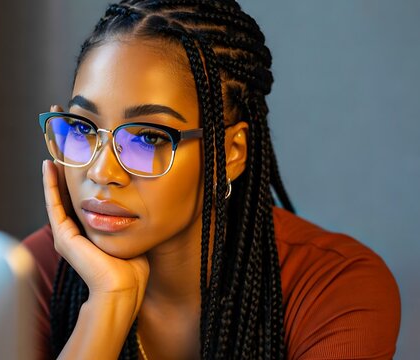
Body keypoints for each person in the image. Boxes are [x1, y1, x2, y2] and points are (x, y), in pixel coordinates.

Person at [24, 1, 401, 358]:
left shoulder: (335, 289)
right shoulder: (38, 274)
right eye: (83, 129)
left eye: (148, 138)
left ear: (230, 153)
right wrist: (107, 304)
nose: (101, 172)